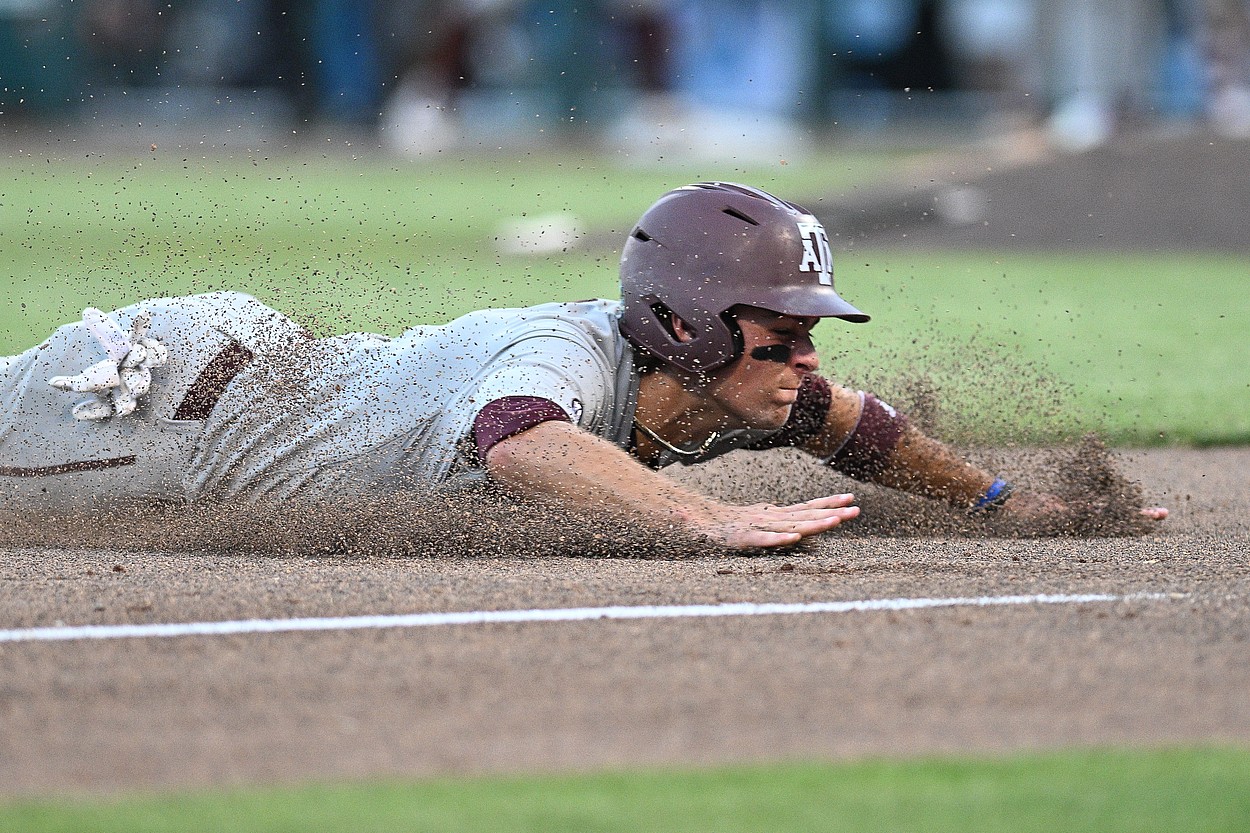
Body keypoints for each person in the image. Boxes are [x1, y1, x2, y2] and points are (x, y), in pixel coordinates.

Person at [0, 182, 1166, 549]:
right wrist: (699, 520)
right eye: (781, 328)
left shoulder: (715, 379)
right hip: (174, 407)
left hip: (246, 377)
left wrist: (1004, 502)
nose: (804, 356)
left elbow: (845, 419)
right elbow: (518, 441)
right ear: (690, 326)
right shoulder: (557, 357)